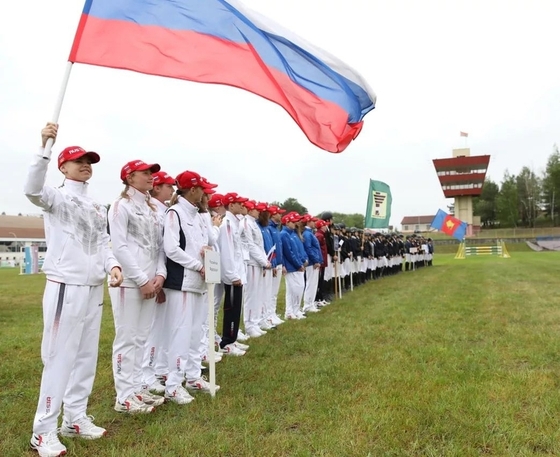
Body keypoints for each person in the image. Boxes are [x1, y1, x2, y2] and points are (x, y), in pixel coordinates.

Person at [25, 123, 123, 457]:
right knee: (58, 358)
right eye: (78, 160)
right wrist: (44, 148)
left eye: (89, 161)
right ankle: (43, 431)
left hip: (94, 288)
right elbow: (31, 189)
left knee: (84, 358)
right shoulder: (55, 196)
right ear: (63, 167)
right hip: (65, 286)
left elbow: (104, 242)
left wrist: (112, 265)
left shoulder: (98, 207)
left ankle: (75, 417)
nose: (85, 164)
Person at [109, 160, 167, 414]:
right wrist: (142, 279)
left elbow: (159, 247)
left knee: (142, 337)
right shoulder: (121, 205)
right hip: (130, 283)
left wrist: (160, 276)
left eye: (152, 173)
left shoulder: (153, 208)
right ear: (130, 178)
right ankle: (124, 396)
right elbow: (119, 247)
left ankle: (136, 388)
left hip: (151, 281)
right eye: (145, 173)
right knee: (127, 338)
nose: (151, 177)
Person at [162, 171, 220, 403]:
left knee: (196, 333)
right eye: (202, 188)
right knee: (181, 333)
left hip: (199, 281)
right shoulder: (174, 213)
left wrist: (206, 256)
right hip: (182, 282)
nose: (206, 193)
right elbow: (171, 249)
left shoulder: (198, 215)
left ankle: (194, 376)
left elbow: (206, 244)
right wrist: (198, 264)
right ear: (193, 189)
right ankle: (173, 385)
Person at [142, 171, 175, 394]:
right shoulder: (152, 209)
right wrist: (158, 277)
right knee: (150, 329)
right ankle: (147, 372)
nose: (172, 190)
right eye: (168, 186)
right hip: (152, 276)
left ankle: (159, 367)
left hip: (162, 274)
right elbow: (155, 247)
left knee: (163, 326)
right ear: (156, 188)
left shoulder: (163, 210)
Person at [217, 193, 248, 355]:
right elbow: (227, 252)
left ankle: (233, 339)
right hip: (232, 276)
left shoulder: (235, 223)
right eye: (238, 203)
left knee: (236, 309)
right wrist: (232, 275)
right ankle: (226, 342)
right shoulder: (227, 224)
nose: (242, 206)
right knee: (231, 309)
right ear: (231, 205)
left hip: (237, 273)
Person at [280, 213, 306, 320]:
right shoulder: (284, 234)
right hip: (291, 267)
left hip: (295, 265)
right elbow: (289, 253)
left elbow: (296, 251)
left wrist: (301, 261)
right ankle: (291, 311)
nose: (295, 223)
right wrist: (298, 264)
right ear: (287, 223)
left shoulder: (291, 234)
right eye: (293, 221)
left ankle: (293, 311)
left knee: (296, 289)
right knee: (295, 289)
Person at [301, 215, 322, 313]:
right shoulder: (307, 234)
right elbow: (308, 249)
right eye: (312, 221)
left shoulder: (309, 233)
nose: (314, 223)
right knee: (310, 284)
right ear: (308, 222)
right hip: (311, 263)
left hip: (314, 261)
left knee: (314, 284)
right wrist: (315, 260)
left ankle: (311, 303)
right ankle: (307, 305)